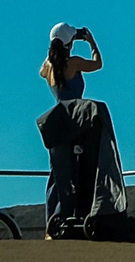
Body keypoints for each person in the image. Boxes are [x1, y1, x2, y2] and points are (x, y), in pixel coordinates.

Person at [36, 23, 116, 234]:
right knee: (78, 169)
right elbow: (98, 64)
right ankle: (75, 217)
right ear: (69, 43)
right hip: (77, 120)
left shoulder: (49, 68)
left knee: (58, 173)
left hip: (58, 121)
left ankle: (54, 220)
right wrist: (90, 41)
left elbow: (42, 69)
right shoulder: (72, 64)